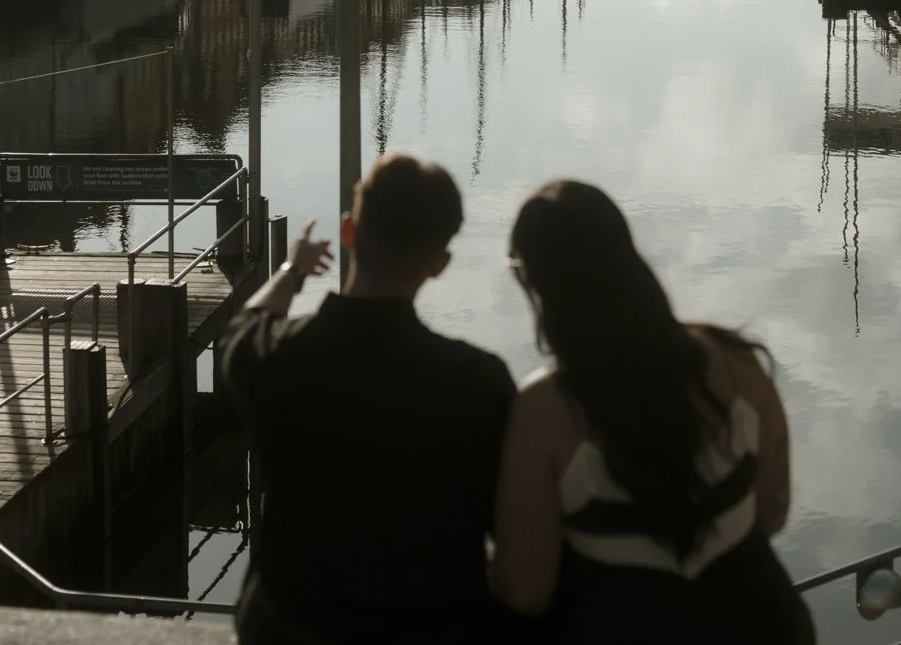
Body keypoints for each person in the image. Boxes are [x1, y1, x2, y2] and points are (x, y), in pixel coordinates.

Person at [492, 180, 814, 643]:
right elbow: (773, 512)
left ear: (538, 284)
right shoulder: (738, 364)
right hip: (765, 624)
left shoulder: (545, 412)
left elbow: (526, 590)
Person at [220, 153, 519, 644]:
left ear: (349, 232)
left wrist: (294, 270)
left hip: (288, 628)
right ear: (440, 264)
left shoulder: (274, 357)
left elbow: (244, 326)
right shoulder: (480, 383)